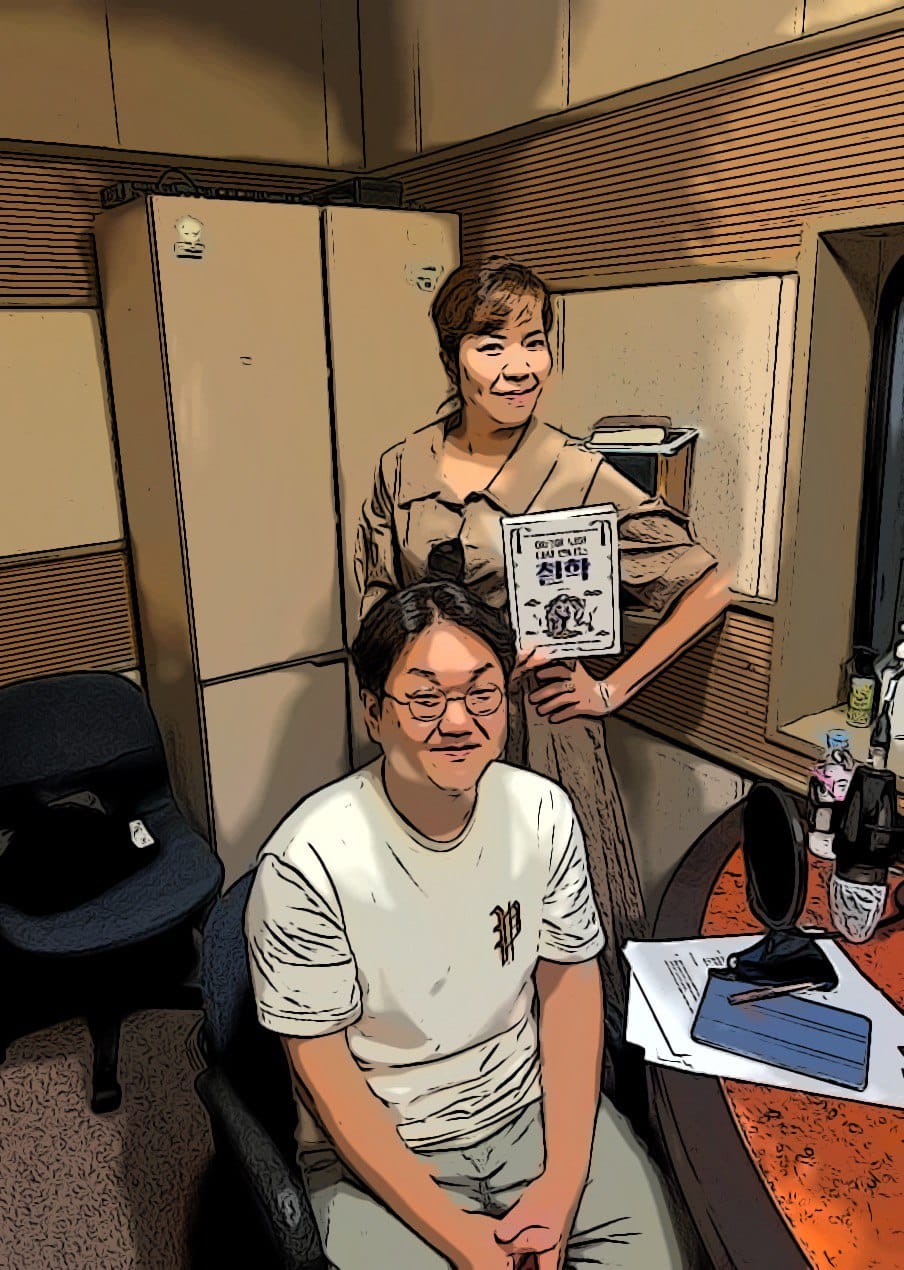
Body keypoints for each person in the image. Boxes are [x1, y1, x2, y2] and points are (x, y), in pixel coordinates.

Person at [245, 578, 685, 1269]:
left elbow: (569, 985)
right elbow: (323, 1071)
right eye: (425, 699)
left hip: (530, 1110)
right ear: (373, 711)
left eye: (483, 695)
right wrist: (461, 1239)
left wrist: (562, 1185)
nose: (458, 722)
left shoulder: (542, 813)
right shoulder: (308, 863)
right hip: (384, 1149)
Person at [354, 256, 734, 1022]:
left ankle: (593, 1073)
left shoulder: (577, 472)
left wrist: (610, 688)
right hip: (437, 730)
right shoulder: (400, 468)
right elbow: (375, 609)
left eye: (535, 342)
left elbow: (709, 585)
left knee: (566, 927)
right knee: (449, 925)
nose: (519, 365)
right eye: (491, 343)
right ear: (453, 358)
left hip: (544, 730)